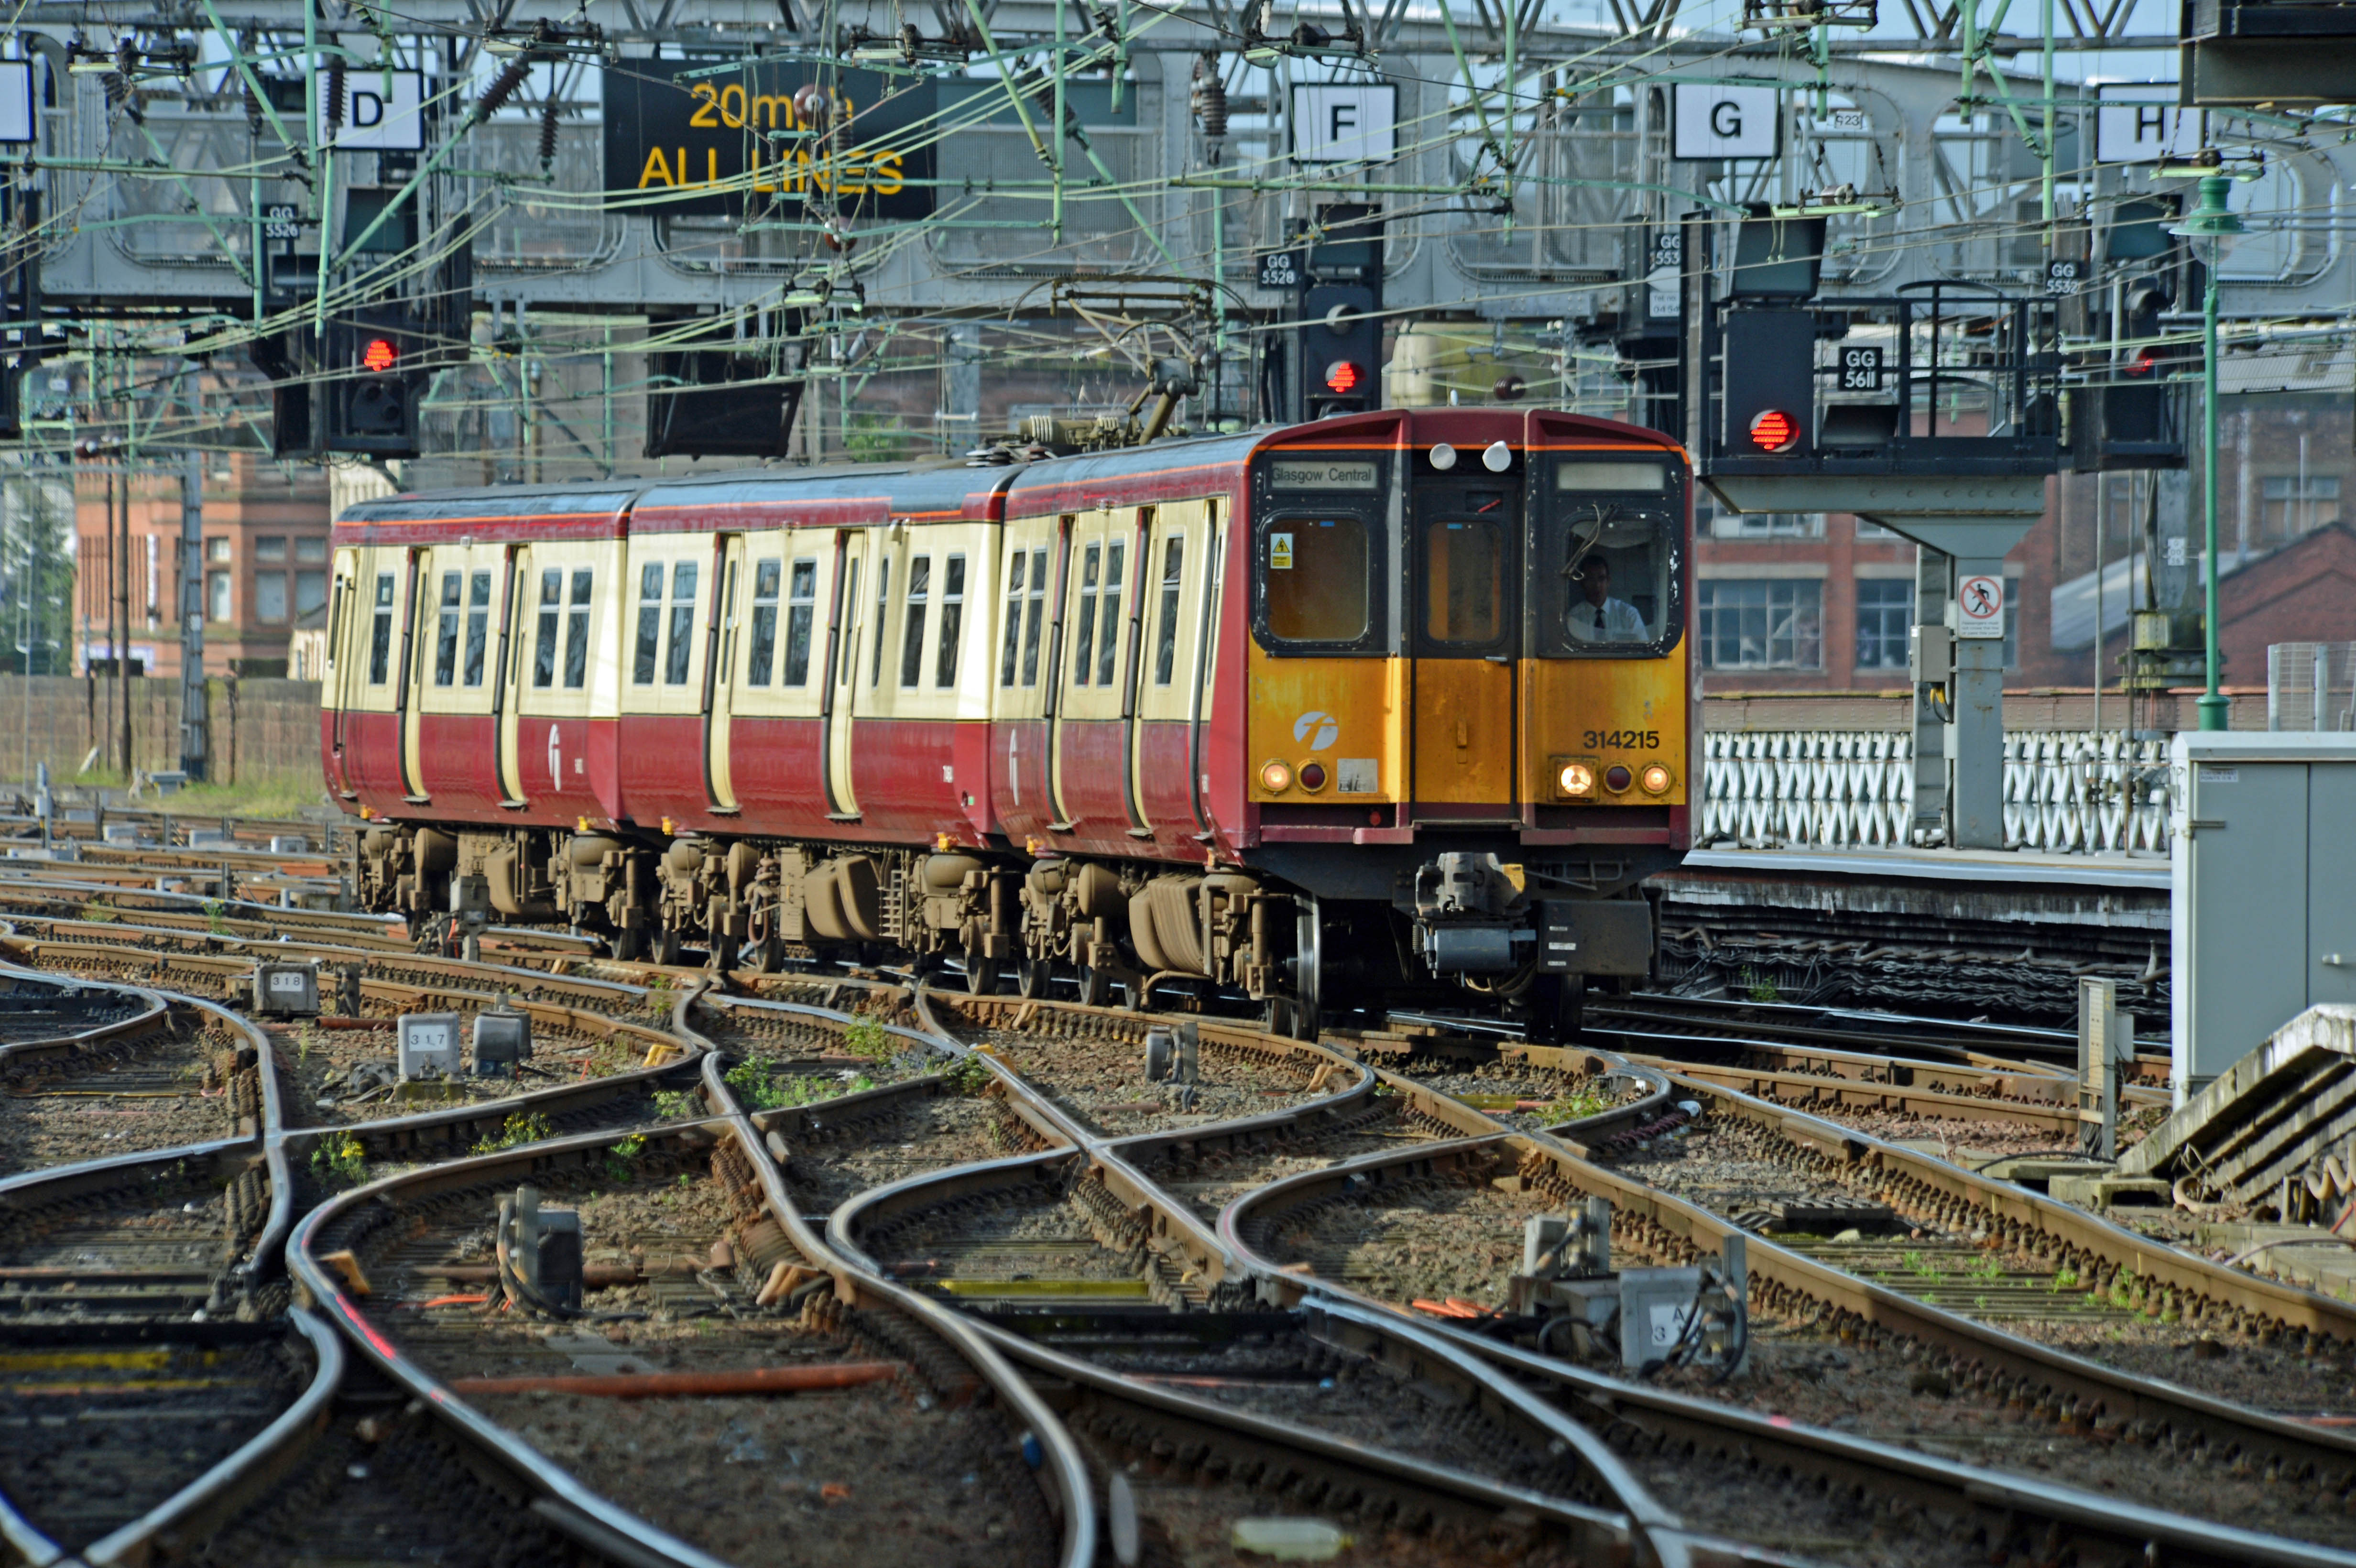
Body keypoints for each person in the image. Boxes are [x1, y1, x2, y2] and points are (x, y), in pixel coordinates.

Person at [1564, 555, 1647, 642]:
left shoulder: (1629, 614)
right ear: (1582, 583)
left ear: (1609, 581)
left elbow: (1644, 649)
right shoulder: (1574, 618)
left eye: (1602, 579)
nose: (1597, 585)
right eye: (1591, 579)